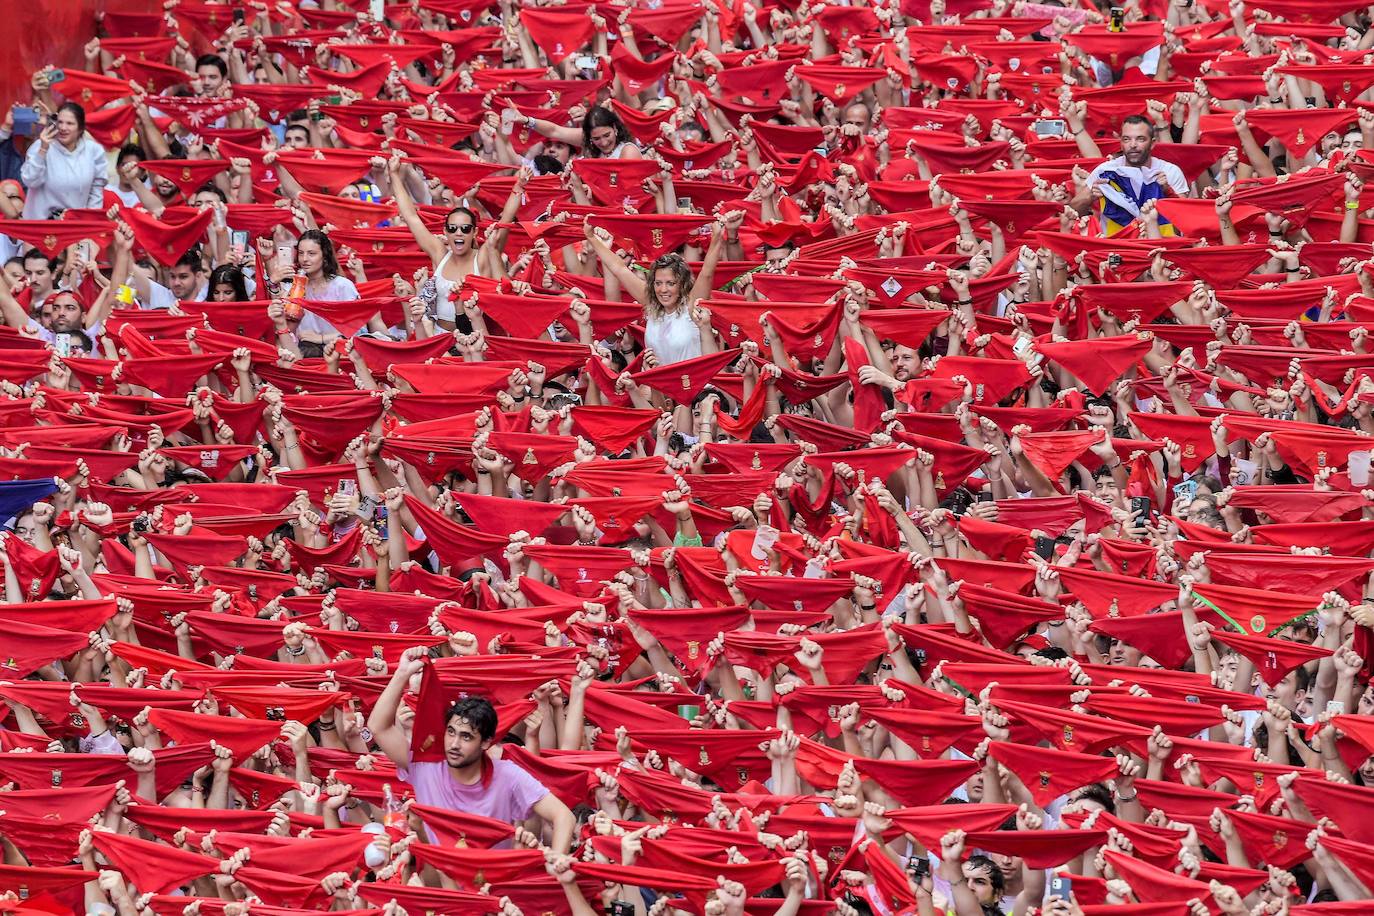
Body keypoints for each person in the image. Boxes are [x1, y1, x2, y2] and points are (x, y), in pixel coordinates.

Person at [367, 648, 575, 852]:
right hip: (440, 881)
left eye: (466, 736)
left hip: (492, 882)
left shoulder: (508, 775)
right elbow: (378, 727)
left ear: (486, 742)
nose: (454, 744)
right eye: (451, 732)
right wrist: (402, 673)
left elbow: (564, 816)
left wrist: (557, 865)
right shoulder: (425, 765)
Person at [583, 216, 730, 365]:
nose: (663, 289)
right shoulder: (652, 303)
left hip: (695, 386)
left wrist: (717, 236)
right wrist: (592, 238)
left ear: (682, 284)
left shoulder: (691, 308)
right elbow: (619, 269)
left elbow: (707, 272)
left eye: (671, 283)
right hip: (660, 387)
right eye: (658, 283)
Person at [1074, 114, 1188, 235]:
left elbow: (1185, 221)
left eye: (1140, 139)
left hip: (1161, 246)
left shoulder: (1170, 171)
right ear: (1121, 143)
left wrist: (1167, 191)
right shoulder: (1106, 171)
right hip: (1116, 247)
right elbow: (1073, 211)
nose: (1133, 145)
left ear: (1153, 143)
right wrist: (1091, 195)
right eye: (1127, 139)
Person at [18, 102, 107, 219]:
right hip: (39, 225)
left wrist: (90, 222)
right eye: (60, 122)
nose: (63, 128)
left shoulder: (94, 150)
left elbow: (96, 190)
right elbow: (30, 181)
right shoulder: (40, 145)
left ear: (80, 128)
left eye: (70, 123)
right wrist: (43, 150)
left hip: (74, 227)